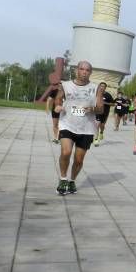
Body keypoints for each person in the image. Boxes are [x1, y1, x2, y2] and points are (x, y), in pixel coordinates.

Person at [53, 61, 104, 195]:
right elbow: (58, 99)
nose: (84, 72)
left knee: (79, 160)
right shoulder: (65, 85)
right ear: (77, 70)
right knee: (66, 152)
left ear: (90, 72)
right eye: (81, 69)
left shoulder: (96, 87)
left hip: (86, 127)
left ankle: (72, 181)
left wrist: (92, 108)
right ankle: (63, 179)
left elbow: (101, 109)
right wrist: (58, 105)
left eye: (87, 70)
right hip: (67, 124)